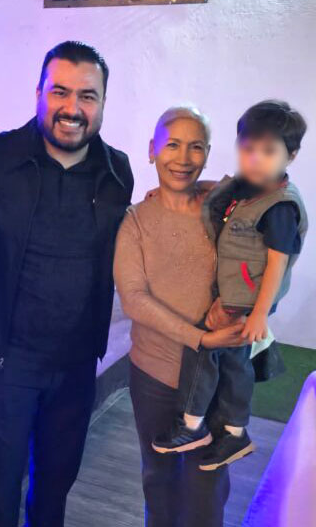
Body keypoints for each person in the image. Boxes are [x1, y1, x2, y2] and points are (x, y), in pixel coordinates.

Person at [0, 41, 134, 527]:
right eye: (60, 91)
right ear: (38, 92)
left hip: (78, 362)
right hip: (7, 359)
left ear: (103, 102)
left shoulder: (117, 171)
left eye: (87, 96)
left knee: (56, 484)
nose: (72, 108)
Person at [152, 100, 308, 471]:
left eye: (268, 151)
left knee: (203, 348)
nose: (255, 159)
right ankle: (234, 433)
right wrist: (170, 192)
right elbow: (220, 191)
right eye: (248, 148)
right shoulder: (250, 188)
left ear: (291, 156)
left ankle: (192, 426)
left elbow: (277, 264)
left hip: (245, 301)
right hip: (236, 296)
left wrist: (259, 315)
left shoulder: (279, 207)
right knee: (235, 363)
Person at [114, 106, 247, 527]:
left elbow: (280, 230)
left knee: (207, 485)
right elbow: (134, 299)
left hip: (214, 377)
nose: (184, 158)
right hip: (154, 375)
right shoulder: (136, 221)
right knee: (160, 480)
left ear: (207, 153)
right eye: (172, 144)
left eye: (196, 147)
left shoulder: (225, 208)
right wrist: (200, 338)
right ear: (152, 150)